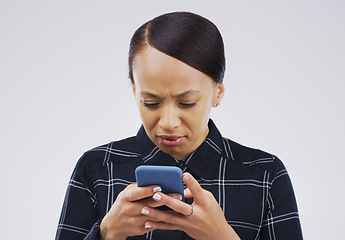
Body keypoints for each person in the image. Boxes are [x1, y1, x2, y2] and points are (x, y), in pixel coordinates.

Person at [55, 12, 303, 240]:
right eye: (151, 103)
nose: (168, 123)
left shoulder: (265, 176)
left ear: (218, 93)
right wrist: (108, 233)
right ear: (134, 91)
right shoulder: (97, 169)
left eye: (187, 103)